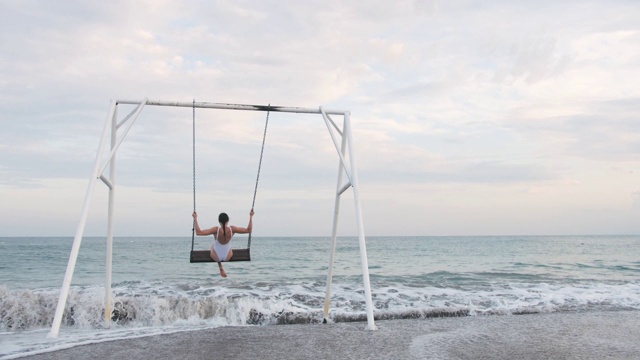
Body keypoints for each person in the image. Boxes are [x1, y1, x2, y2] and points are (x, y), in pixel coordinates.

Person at [192, 209, 254, 278]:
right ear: (228, 220)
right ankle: (221, 265)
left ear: (219, 221)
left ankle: (220, 267)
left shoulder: (216, 230)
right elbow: (249, 230)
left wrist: (195, 218)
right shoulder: (232, 229)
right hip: (227, 257)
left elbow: (199, 232)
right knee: (228, 247)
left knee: (213, 246)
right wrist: (251, 216)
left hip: (216, 257)